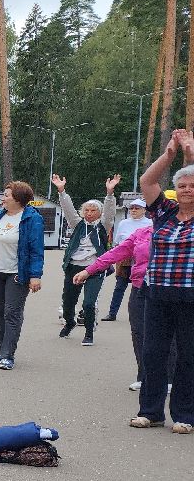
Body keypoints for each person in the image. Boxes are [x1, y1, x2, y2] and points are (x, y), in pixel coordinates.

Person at [129, 128, 194, 432]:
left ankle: (185, 415)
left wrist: (190, 153)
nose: (187, 190)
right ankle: (151, 411)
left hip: (190, 296)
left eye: (192, 186)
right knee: (153, 353)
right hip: (156, 294)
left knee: (188, 356)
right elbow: (147, 181)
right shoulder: (164, 212)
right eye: (182, 186)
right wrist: (169, 155)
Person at [0, 181, 45, 371]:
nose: (2, 198)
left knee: (12, 312)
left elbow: (36, 250)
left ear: (18, 199)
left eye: (6, 195)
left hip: (16, 273)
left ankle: (8, 354)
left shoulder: (32, 219)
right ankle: (1, 350)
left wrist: (35, 275)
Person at [75, 224, 159, 392]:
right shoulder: (142, 233)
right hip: (140, 287)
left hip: (169, 289)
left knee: (169, 335)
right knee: (139, 332)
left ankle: (170, 378)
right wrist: (89, 270)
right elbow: (116, 252)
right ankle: (144, 376)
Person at [53, 173, 118, 345]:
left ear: (99, 213)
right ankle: (70, 322)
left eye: (93, 210)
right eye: (86, 210)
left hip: (94, 269)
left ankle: (89, 332)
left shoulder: (103, 226)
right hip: (73, 267)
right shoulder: (77, 223)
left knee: (89, 303)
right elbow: (68, 209)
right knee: (68, 304)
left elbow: (110, 212)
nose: (89, 213)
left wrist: (109, 194)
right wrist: (61, 191)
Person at [104, 196, 151, 322]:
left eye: (137, 208)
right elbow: (117, 242)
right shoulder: (123, 223)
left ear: (144, 210)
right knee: (120, 286)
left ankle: (143, 314)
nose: (133, 210)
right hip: (125, 260)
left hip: (142, 260)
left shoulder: (150, 224)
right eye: (131, 208)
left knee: (142, 288)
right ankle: (112, 313)